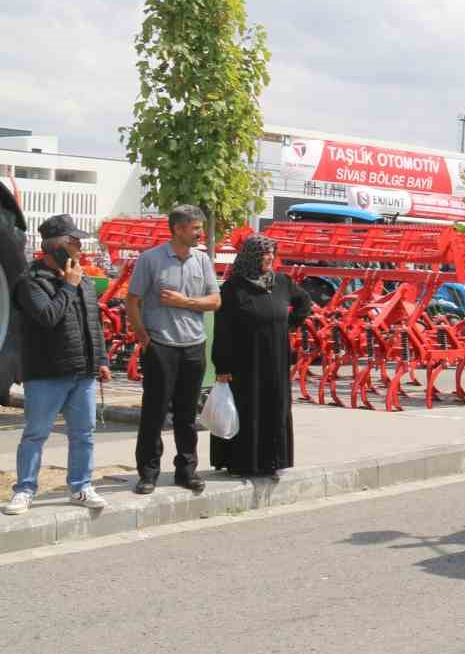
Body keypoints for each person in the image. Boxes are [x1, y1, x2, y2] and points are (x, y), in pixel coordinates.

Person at [4, 216, 113, 515]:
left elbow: (95, 324)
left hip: (83, 372)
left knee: (83, 433)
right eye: (73, 242)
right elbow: (48, 317)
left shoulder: (84, 280)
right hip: (46, 373)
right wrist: (68, 286)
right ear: (56, 247)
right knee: (36, 433)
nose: (79, 247)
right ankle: (24, 490)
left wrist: (101, 360)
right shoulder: (30, 282)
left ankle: (80, 487)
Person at [125, 204, 220, 495]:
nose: (200, 233)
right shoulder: (150, 259)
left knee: (186, 414)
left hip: (193, 346)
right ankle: (148, 473)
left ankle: (186, 471)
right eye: (195, 228)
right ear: (178, 229)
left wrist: (186, 302)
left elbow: (215, 301)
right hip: (161, 346)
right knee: (154, 413)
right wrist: (143, 337)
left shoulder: (202, 260)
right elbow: (132, 300)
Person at [210, 235, 311, 479]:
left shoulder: (282, 282)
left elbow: (304, 302)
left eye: (271, 253)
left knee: (273, 408)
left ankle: (272, 461)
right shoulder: (234, 288)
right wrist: (222, 365)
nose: (269, 258)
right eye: (264, 253)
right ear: (250, 256)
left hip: (275, 360)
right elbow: (222, 329)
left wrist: (289, 324)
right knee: (248, 409)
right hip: (245, 363)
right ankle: (242, 463)